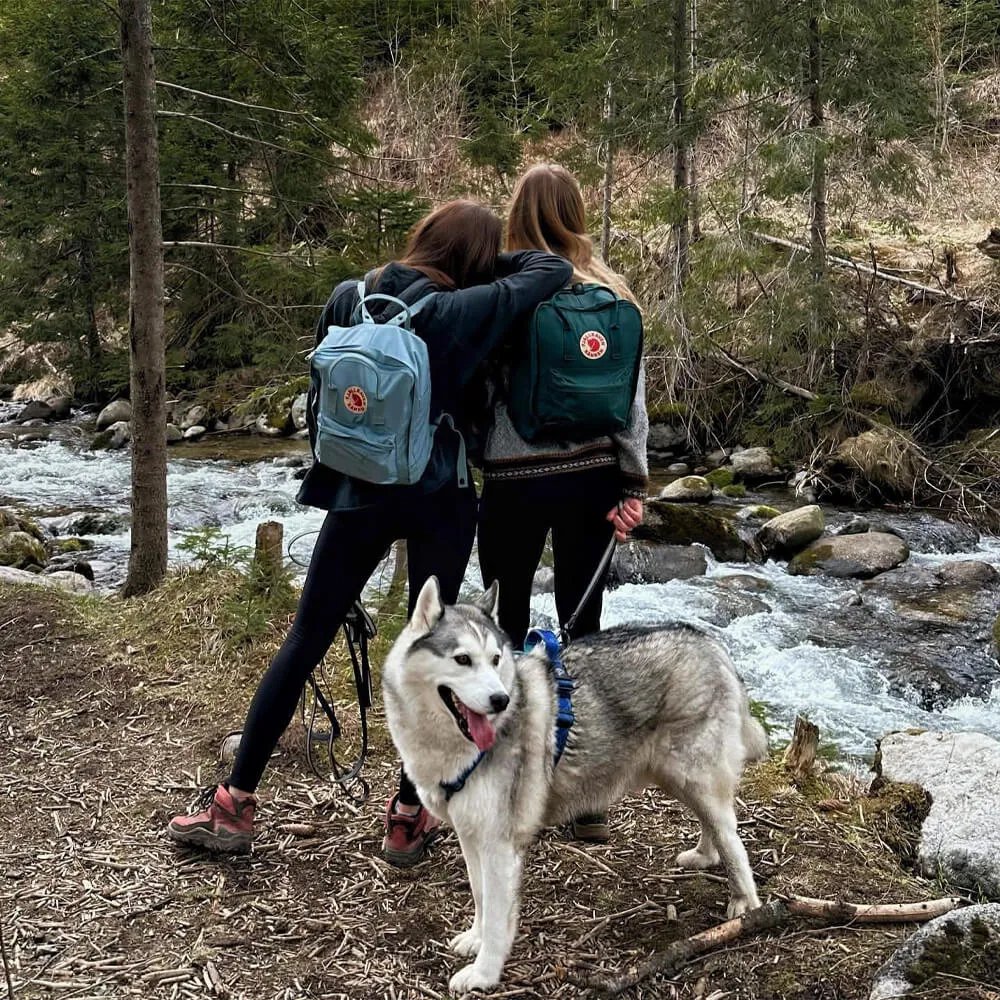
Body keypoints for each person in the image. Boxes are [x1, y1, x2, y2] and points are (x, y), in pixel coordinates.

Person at [167, 199, 573, 865]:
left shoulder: (351, 294)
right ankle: (409, 816)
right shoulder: (463, 309)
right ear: (472, 260)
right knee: (435, 655)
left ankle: (234, 803)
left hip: (357, 491)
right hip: (440, 496)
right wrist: (489, 262)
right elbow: (550, 268)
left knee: (304, 638)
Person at [477, 164, 648, 843]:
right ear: (579, 213)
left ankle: (509, 775)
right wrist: (633, 484)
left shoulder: (505, 288)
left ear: (516, 212)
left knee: (505, 623)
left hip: (514, 479)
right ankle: (587, 799)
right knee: (588, 635)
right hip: (594, 475)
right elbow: (632, 403)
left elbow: (480, 387)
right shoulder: (616, 294)